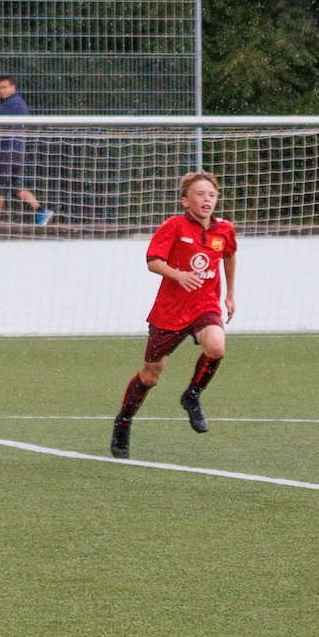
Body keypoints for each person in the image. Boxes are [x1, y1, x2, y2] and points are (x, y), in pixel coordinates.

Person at [110, 171, 237, 459]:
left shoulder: (225, 230)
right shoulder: (174, 226)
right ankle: (124, 421)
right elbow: (153, 261)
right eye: (200, 194)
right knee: (150, 376)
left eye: (212, 194)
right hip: (170, 312)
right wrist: (178, 274)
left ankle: (192, 395)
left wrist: (230, 294)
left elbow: (229, 255)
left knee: (216, 347)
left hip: (204, 305)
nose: (207, 199)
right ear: (185, 201)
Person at [0, 76, 53, 225]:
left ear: (13, 87)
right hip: (18, 151)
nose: (1, 91)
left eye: (4, 87)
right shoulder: (16, 103)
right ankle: (41, 210)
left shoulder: (13, 104)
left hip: (7, 151)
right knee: (15, 186)